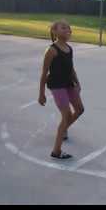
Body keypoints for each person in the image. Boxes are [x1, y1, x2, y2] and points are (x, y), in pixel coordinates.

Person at [38, 20, 84, 160]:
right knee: (66, 115)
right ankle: (56, 151)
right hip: (57, 86)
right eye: (63, 28)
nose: (67, 30)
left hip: (69, 83)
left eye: (69, 28)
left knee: (80, 109)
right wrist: (41, 94)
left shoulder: (69, 49)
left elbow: (71, 68)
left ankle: (63, 129)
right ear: (54, 31)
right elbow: (44, 72)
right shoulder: (51, 50)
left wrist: (77, 82)